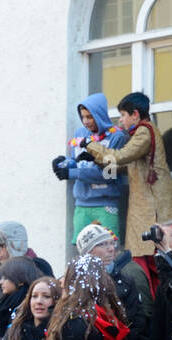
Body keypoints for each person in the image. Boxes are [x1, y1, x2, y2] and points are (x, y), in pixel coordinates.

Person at [85, 92, 172, 258]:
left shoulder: (144, 131)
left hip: (151, 207)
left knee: (150, 254)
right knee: (143, 253)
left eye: (122, 115)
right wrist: (95, 159)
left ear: (135, 114)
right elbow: (120, 166)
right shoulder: (140, 133)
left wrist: (90, 145)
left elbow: (120, 157)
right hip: (144, 205)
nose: (120, 120)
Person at [52, 94, 129, 243]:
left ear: (99, 115)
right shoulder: (80, 134)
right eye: (83, 117)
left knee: (108, 248)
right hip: (82, 203)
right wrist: (64, 163)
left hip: (106, 204)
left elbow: (110, 173)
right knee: (83, 250)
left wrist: (72, 173)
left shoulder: (116, 137)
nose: (86, 121)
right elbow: (79, 161)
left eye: (90, 117)